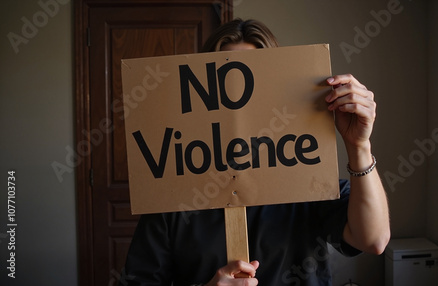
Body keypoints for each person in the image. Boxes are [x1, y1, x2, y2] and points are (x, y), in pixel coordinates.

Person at [119, 18, 390, 286]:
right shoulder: (171, 193)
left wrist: (359, 146)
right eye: (224, 86)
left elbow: (373, 240)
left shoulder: (307, 179)